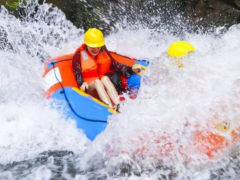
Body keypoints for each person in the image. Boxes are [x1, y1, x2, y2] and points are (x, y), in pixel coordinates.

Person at [72, 28, 143, 109]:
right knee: (97, 82)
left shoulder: (103, 51)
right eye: (93, 47)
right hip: (90, 88)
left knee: (105, 78)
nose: (96, 49)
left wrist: (131, 69)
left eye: (98, 46)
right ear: (87, 44)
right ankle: (109, 108)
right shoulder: (78, 56)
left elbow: (115, 64)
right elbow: (77, 73)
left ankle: (118, 105)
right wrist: (81, 83)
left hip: (102, 87)